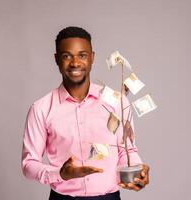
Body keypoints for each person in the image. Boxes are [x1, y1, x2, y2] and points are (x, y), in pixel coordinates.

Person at [21, 26, 149, 200]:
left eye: (82, 55)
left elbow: (126, 150)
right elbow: (29, 165)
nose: (75, 63)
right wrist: (61, 174)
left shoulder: (116, 102)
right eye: (67, 56)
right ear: (57, 59)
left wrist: (137, 170)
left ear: (92, 58)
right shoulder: (41, 108)